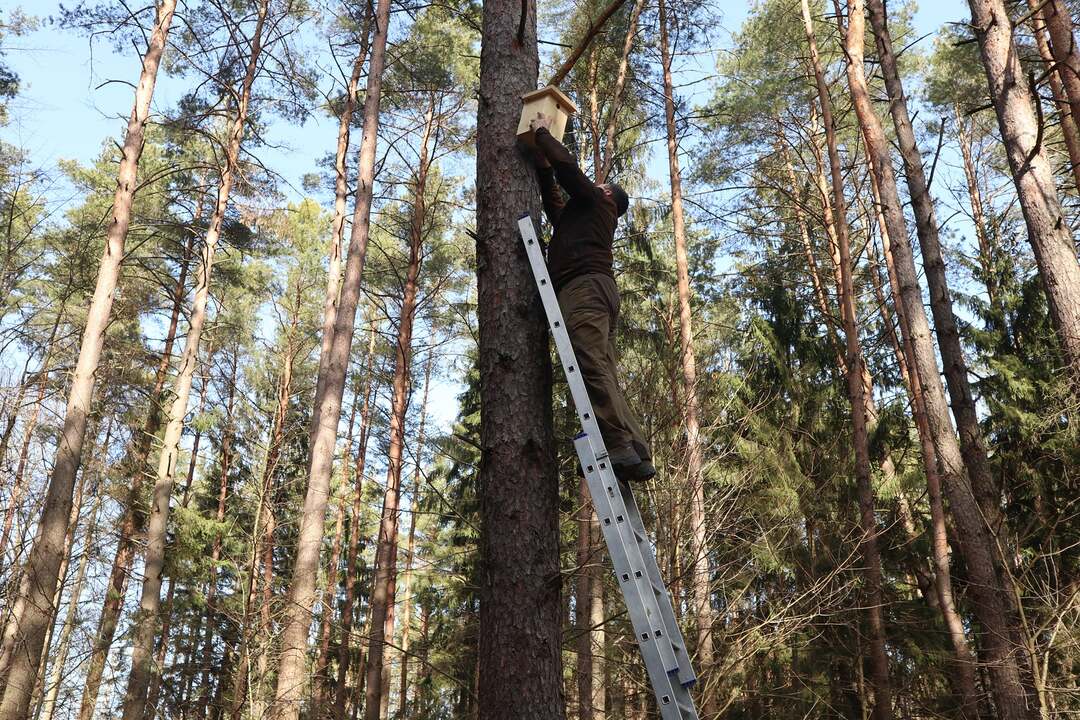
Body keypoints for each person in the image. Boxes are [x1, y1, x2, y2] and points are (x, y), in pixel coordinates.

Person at [527, 111, 655, 483]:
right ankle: (635, 448)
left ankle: (617, 445)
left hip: (585, 289)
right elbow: (556, 207)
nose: (593, 186)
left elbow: (570, 172)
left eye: (598, 185)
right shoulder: (583, 216)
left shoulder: (600, 202)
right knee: (603, 369)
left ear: (606, 194)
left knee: (590, 364)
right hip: (596, 290)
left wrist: (542, 134)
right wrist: (543, 168)